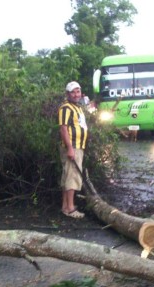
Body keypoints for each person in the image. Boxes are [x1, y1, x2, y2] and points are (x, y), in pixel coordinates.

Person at [58, 81, 88, 219]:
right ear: (68, 94)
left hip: (78, 146)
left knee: (68, 176)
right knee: (72, 177)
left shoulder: (78, 107)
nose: (76, 94)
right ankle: (70, 208)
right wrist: (70, 148)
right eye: (73, 92)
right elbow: (63, 129)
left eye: (78, 91)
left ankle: (65, 206)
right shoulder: (66, 108)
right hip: (73, 146)